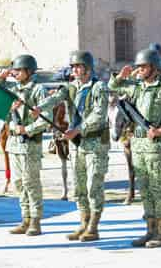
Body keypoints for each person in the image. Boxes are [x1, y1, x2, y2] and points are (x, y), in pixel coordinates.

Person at [108, 48, 161, 248]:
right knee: (145, 190)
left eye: (143, 66)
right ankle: (149, 230)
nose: (140, 70)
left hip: (157, 146)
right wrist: (119, 77)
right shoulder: (138, 87)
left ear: (155, 67)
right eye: (139, 66)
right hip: (139, 145)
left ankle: (159, 234)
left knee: (158, 189)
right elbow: (113, 88)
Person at [33, 50, 110, 242]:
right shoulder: (70, 87)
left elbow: (99, 115)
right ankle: (83, 223)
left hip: (94, 143)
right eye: (73, 67)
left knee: (94, 185)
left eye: (78, 66)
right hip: (77, 145)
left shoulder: (98, 87)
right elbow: (55, 99)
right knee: (79, 187)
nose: (75, 70)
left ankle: (93, 226)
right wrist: (39, 108)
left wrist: (78, 130)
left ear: (88, 68)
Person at [0, 54, 52, 236]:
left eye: (19, 70)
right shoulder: (13, 88)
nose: (16, 73)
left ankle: (35, 220)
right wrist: (1, 77)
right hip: (13, 144)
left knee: (31, 183)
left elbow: (46, 119)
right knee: (18, 183)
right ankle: (25, 218)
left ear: (28, 71)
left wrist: (27, 129)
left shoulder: (38, 91)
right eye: (15, 70)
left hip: (29, 144)